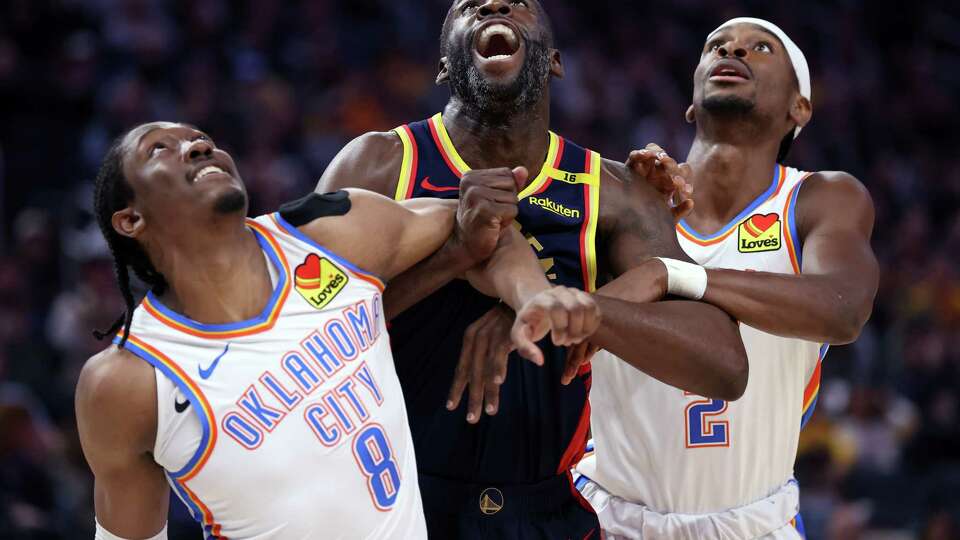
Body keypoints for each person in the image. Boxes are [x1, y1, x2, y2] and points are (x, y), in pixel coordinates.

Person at [317, 1, 748, 538]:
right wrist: (454, 254)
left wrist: (571, 309)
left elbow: (724, 364)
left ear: (555, 61)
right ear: (445, 66)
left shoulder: (612, 192)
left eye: (518, 2)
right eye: (468, 5)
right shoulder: (378, 164)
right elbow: (307, 338)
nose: (494, 4)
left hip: (546, 509)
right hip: (392, 500)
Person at [74, 121, 603, 539]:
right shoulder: (130, 380)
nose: (196, 147)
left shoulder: (330, 235)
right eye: (160, 149)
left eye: (202, 140)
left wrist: (533, 296)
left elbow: (482, 225)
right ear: (130, 221)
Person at [575, 18, 879, 539]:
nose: (734, 48)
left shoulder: (819, 199)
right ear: (692, 101)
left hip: (750, 523)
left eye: (760, 48)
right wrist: (634, 225)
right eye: (717, 45)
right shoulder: (623, 197)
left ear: (799, 107)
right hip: (608, 516)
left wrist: (669, 274)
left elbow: (842, 307)